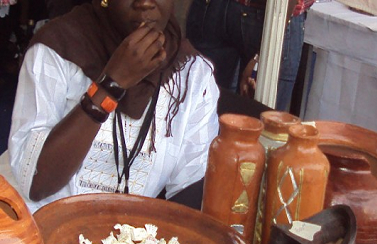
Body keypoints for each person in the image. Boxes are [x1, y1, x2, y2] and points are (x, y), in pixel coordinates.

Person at [8, 0, 220, 212]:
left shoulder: (192, 74)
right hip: (43, 228)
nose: (144, 3)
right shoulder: (56, 50)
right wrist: (111, 85)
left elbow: (190, 191)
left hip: (131, 238)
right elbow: (36, 185)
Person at [186, 0, 314, 111]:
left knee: (205, 111)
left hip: (269, 16)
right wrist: (262, 57)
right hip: (269, 15)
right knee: (260, 125)